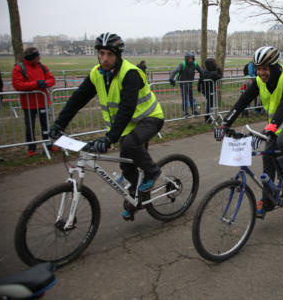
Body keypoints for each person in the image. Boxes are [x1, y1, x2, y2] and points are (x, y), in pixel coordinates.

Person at [48, 33, 164, 221]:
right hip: (127, 126)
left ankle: (153, 171)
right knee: (127, 168)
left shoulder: (130, 73)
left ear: (117, 55)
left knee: (129, 145)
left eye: (109, 54)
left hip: (150, 118)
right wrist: (58, 124)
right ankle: (137, 200)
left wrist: (110, 138)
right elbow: (77, 100)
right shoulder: (97, 74)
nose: (105, 59)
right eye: (101, 53)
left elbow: (127, 109)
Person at [214, 46, 283, 218]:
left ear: (274, 67)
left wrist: (272, 127)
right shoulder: (260, 81)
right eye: (258, 69)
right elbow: (243, 101)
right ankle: (268, 200)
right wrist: (225, 123)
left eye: (265, 69)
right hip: (277, 122)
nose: (261, 73)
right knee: (268, 157)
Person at [12, 47, 57, 157]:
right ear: (32, 58)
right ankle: (31, 147)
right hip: (28, 104)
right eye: (37, 56)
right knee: (30, 126)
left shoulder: (42, 67)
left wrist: (45, 83)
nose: (40, 58)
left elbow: (52, 79)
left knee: (46, 125)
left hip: (43, 101)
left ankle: (48, 144)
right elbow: (17, 85)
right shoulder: (19, 68)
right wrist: (36, 84)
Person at [169, 52, 204, 117]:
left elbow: (201, 71)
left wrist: (201, 79)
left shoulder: (195, 64)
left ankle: (193, 111)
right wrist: (171, 79)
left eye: (191, 59)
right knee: (185, 97)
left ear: (193, 59)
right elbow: (174, 71)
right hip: (183, 83)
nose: (190, 60)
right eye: (189, 59)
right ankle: (185, 112)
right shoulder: (183, 64)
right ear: (186, 59)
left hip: (190, 82)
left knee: (191, 97)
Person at [199, 58, 222, 123]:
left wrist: (200, 88)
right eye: (214, 63)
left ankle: (208, 117)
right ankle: (207, 118)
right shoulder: (213, 73)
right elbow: (219, 76)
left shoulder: (204, 71)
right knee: (210, 104)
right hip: (210, 90)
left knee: (210, 104)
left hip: (205, 90)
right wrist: (219, 69)